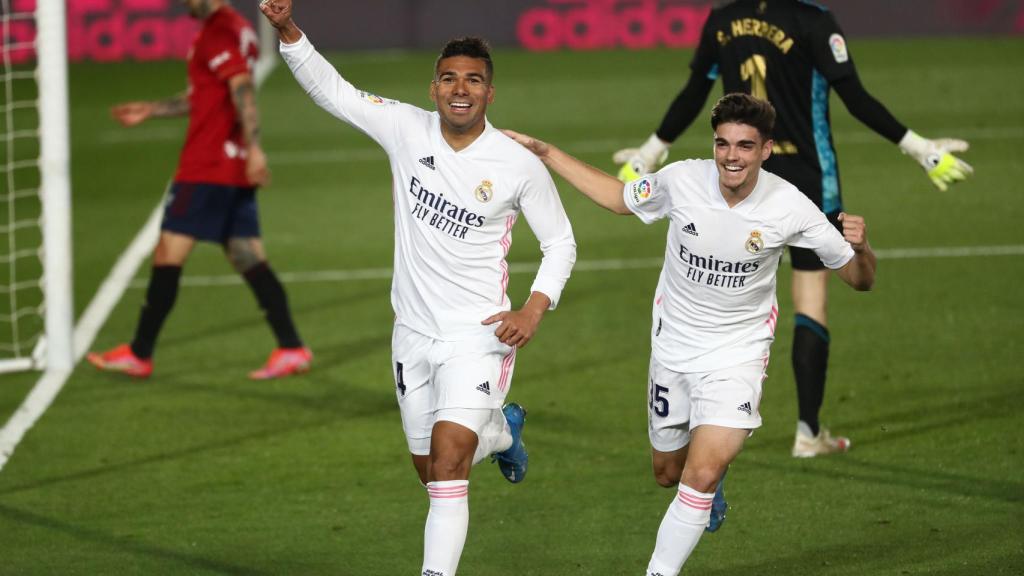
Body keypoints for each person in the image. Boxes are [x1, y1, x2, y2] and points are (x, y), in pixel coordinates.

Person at [258, 2, 576, 575]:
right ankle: (502, 434)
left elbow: (561, 243)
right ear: (433, 88)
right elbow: (337, 93)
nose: (461, 89)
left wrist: (533, 308)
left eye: (473, 80)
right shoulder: (406, 128)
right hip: (412, 332)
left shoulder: (516, 164)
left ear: (490, 94)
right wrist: (288, 31)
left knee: (450, 463)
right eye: (450, 78)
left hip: (478, 335)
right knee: (432, 471)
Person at [504, 93, 876, 575]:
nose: (731, 157)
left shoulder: (791, 208)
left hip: (737, 356)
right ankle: (709, 487)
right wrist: (546, 153)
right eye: (723, 144)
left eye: (745, 146)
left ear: (767, 150)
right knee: (668, 473)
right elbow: (620, 199)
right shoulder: (682, 180)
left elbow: (860, 279)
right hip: (674, 350)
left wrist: (862, 248)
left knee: (699, 474)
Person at [613, 0, 972, 459]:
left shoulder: (723, 19)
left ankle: (708, 430)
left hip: (736, 172)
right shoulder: (813, 21)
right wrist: (922, 150)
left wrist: (649, 152)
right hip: (805, 178)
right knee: (811, 298)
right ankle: (807, 431)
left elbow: (693, 94)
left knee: (717, 296)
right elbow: (855, 97)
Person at [86, 0, 311, 380]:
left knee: (168, 253)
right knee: (246, 254)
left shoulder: (219, 30)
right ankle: (291, 347)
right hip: (230, 164)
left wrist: (255, 146)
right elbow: (209, 96)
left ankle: (140, 352)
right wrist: (152, 109)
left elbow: (242, 90)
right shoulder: (234, 28)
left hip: (207, 166)